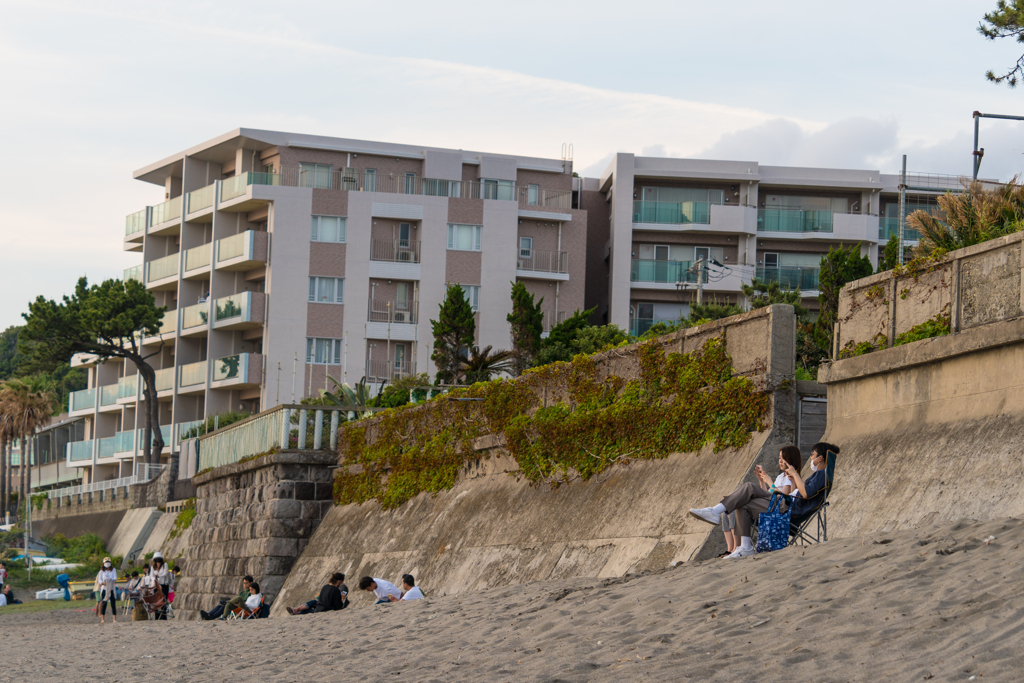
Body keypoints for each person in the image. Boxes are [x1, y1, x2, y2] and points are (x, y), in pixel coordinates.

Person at [690, 444, 835, 559]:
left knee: (748, 487)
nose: (810, 458)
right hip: (785, 504)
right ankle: (745, 547)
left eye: (812, 455)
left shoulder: (821, 475)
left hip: (788, 508)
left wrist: (794, 475)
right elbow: (802, 492)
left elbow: (805, 493)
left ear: (820, 458)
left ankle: (714, 511)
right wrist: (792, 480)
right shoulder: (818, 475)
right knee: (743, 503)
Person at [94, 557, 118, 624]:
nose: (107, 564)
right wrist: (103, 583)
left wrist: (109, 581)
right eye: (106, 562)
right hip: (104, 588)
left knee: (113, 603)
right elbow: (100, 580)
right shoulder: (101, 571)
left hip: (111, 588)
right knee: (104, 604)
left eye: (108, 562)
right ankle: (102, 619)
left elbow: (115, 578)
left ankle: (114, 619)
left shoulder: (113, 570)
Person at [152, 555, 171, 620]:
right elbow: (152, 575)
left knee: (163, 600)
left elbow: (165, 573)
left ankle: (164, 616)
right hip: (156, 585)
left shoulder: (165, 565)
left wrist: (159, 576)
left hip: (164, 585)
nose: (158, 562)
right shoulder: (153, 567)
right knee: (156, 601)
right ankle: (157, 616)